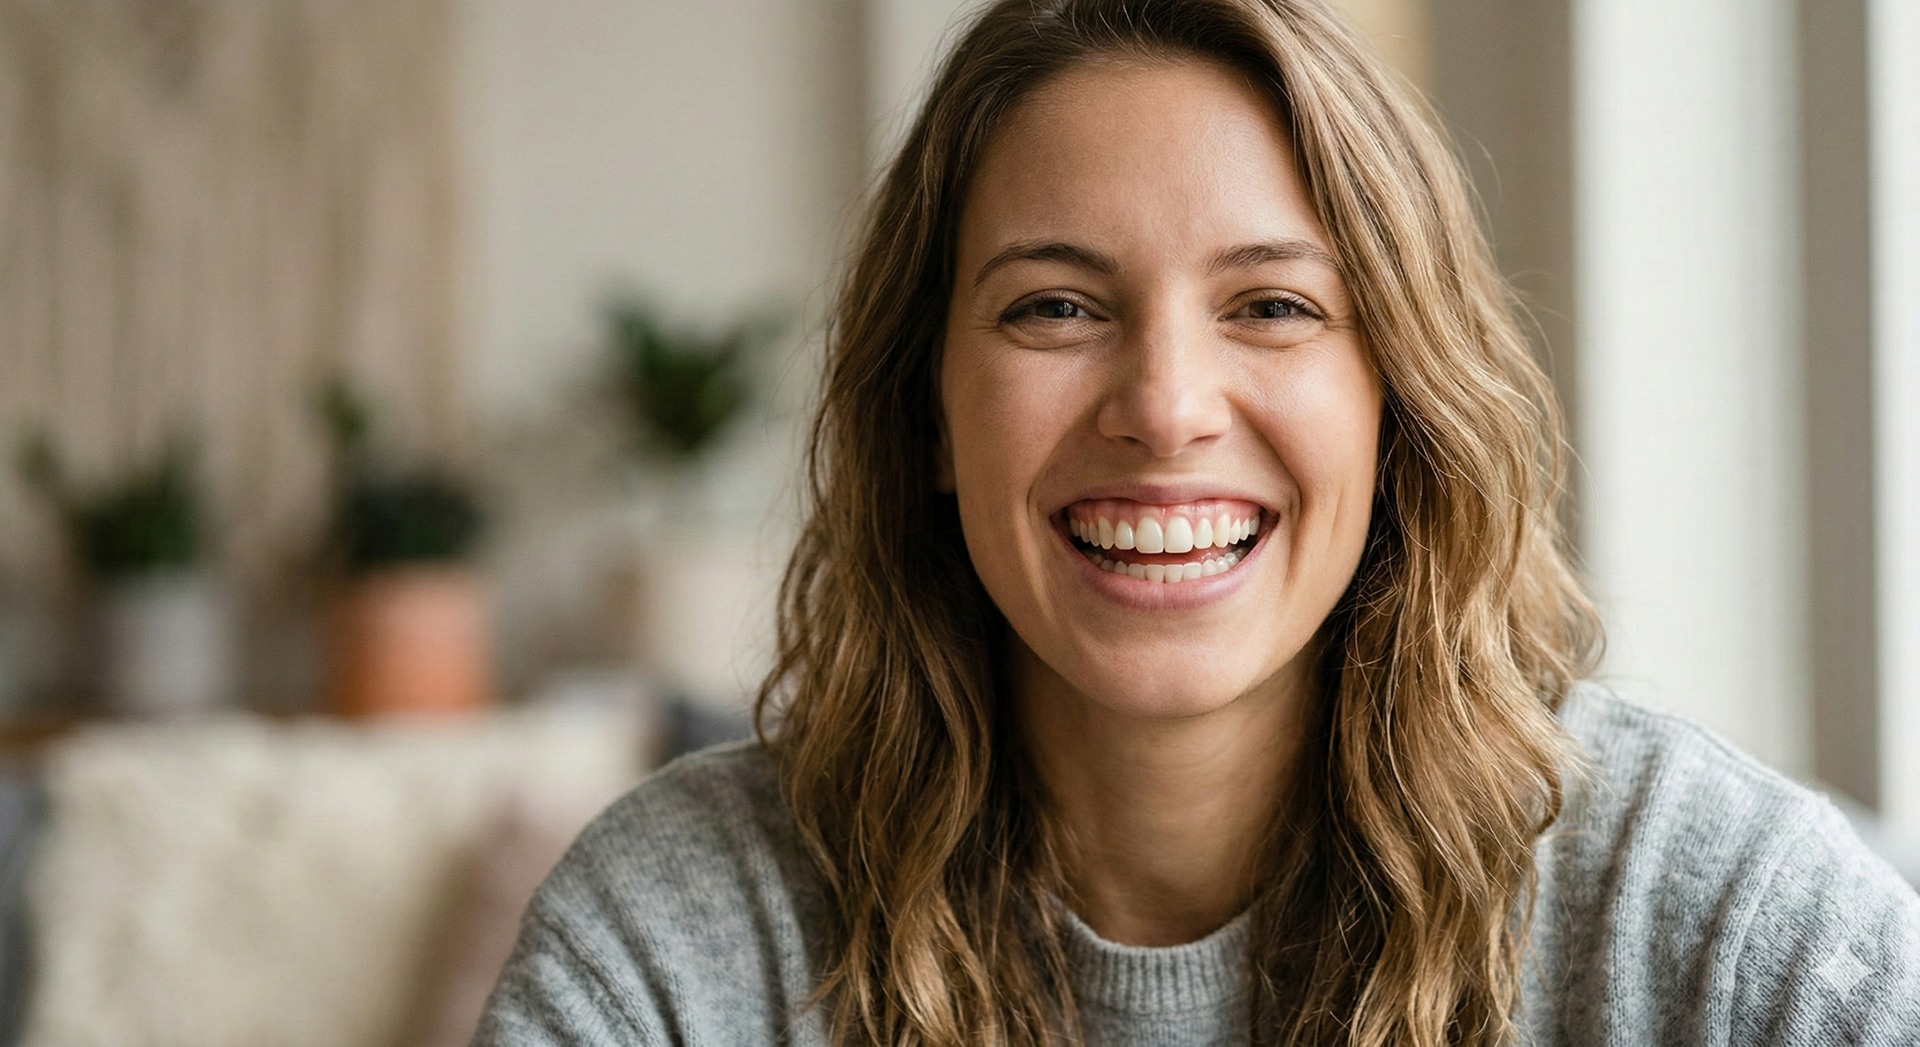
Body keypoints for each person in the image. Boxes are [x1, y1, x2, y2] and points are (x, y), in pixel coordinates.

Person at [475, 0, 1920, 1043]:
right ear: (926, 412)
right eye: (1055, 307)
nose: (1165, 407)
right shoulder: (681, 940)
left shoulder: (1714, 917)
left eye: (1274, 306)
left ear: (1400, 401)